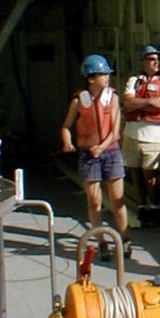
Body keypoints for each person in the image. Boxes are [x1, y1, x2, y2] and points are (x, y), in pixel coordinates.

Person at [60, 53, 131, 260]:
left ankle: (125, 238)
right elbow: (66, 126)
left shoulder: (113, 97)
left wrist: (102, 146)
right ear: (91, 78)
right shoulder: (78, 100)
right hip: (88, 154)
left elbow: (116, 130)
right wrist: (67, 142)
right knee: (94, 201)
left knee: (118, 200)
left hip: (110, 152)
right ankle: (102, 241)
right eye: (103, 74)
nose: (108, 77)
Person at [123, 44, 160, 227]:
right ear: (144, 61)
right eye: (152, 59)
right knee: (134, 170)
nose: (156, 62)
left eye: (158, 59)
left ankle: (155, 207)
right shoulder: (134, 80)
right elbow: (127, 104)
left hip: (154, 135)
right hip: (131, 133)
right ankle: (142, 207)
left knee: (149, 174)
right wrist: (151, 101)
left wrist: (140, 103)